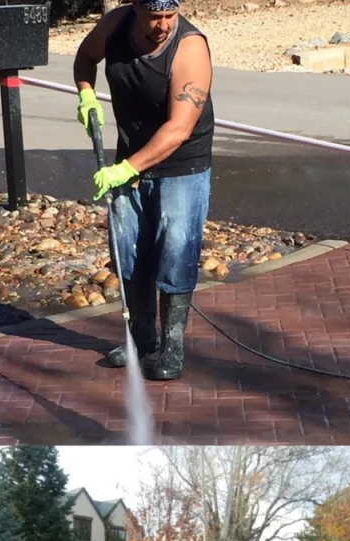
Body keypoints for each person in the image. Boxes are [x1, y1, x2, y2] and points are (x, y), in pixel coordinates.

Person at [74, 0, 214, 380]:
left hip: (180, 166)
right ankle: (141, 338)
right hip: (130, 160)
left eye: (170, 16)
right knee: (129, 251)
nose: (164, 25)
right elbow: (86, 57)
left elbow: (179, 130)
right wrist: (86, 94)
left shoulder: (190, 48)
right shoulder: (115, 25)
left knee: (176, 251)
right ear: (136, 8)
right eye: (155, 17)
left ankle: (172, 347)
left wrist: (124, 170)